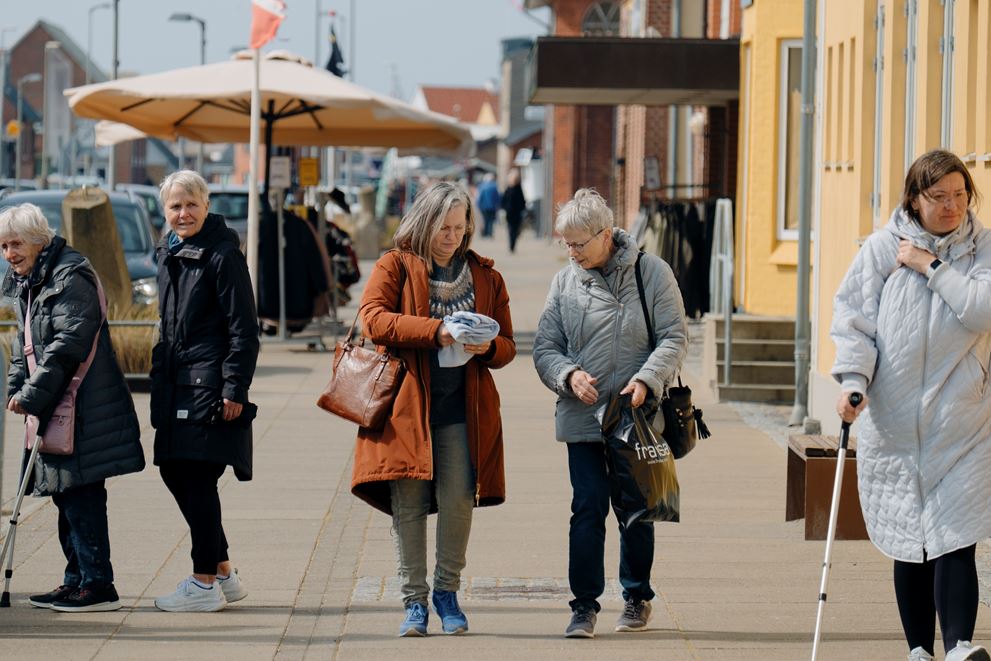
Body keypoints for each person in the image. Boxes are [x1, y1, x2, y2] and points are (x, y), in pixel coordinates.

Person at [831, 149, 991, 661]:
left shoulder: (982, 248)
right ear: (915, 199)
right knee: (909, 536)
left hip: (963, 417)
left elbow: (980, 310)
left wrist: (930, 264)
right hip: (894, 421)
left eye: (960, 195)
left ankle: (961, 646)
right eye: (939, 197)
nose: (952, 207)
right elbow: (854, 321)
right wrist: (854, 381)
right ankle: (920, 650)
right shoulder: (880, 249)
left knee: (955, 532)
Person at [352, 181, 516, 637]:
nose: (451, 237)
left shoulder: (486, 276)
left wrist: (486, 347)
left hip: (465, 407)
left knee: (460, 497)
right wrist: (436, 331)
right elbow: (373, 319)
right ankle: (413, 601)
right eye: (444, 227)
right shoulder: (396, 264)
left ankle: (446, 591)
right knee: (408, 503)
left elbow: (508, 347)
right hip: (405, 407)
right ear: (425, 222)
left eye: (460, 228)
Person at [533, 188, 688, 638]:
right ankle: (583, 605)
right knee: (586, 508)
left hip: (635, 416)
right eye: (566, 244)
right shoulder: (564, 282)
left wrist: (646, 380)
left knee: (635, 509)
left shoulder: (650, 272)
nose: (572, 252)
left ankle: (637, 596)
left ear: (606, 235)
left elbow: (674, 337)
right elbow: (545, 346)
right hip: (582, 418)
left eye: (579, 243)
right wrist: (568, 376)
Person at [1, 203, 144, 613]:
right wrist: (17, 387)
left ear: (39, 240)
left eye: (17, 244)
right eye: (4, 246)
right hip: (57, 402)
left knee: (80, 493)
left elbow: (68, 345)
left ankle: (98, 585)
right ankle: (75, 579)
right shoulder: (30, 279)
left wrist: (32, 394)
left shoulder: (69, 275)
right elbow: (24, 342)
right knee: (64, 494)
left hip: (81, 405)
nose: (10, 253)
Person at [150, 170, 259, 613]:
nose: (183, 213)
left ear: (206, 205)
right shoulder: (169, 252)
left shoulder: (221, 255)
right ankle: (225, 574)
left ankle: (202, 581)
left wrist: (234, 387)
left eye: (191, 203)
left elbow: (244, 328)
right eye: (175, 206)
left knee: (195, 477)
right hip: (176, 383)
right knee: (176, 472)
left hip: (208, 385)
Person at [500, 169, 526, 253]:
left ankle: (513, 245)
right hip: (509, 213)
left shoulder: (519, 189)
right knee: (511, 230)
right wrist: (504, 208)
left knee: (515, 230)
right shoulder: (508, 189)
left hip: (517, 213)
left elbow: (522, 201)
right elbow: (503, 200)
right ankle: (511, 246)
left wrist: (522, 209)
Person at [475, 173, 500, 238]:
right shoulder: (494, 186)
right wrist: (498, 205)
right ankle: (489, 233)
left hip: (483, 206)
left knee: (485, 220)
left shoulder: (482, 186)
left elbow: (479, 197)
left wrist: (478, 205)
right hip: (492, 207)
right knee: (491, 220)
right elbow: (497, 197)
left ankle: (485, 233)